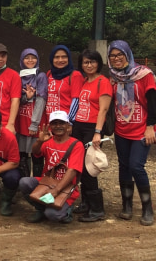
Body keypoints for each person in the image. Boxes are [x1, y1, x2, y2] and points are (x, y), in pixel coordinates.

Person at [107, 40, 156, 226]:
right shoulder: (113, 76)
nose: (116, 58)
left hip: (142, 129)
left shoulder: (144, 74)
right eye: (112, 56)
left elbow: (153, 102)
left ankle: (146, 207)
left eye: (120, 55)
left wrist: (151, 126)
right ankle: (126, 205)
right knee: (124, 166)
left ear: (127, 54)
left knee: (136, 166)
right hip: (121, 129)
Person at [19, 111, 84, 224]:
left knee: (53, 215)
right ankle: (41, 209)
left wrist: (57, 190)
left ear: (68, 125)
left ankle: (67, 210)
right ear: (50, 126)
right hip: (47, 182)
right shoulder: (48, 140)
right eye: (54, 123)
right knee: (24, 182)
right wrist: (39, 141)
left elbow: (72, 170)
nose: (58, 126)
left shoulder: (76, 145)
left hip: (66, 186)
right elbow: (36, 153)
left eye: (62, 123)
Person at [71, 49, 112, 222]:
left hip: (91, 128)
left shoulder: (103, 82)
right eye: (85, 62)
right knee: (79, 166)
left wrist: (97, 132)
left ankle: (97, 209)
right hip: (79, 126)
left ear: (98, 63)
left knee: (89, 168)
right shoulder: (84, 81)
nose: (89, 65)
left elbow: (103, 109)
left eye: (92, 61)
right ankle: (86, 203)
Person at [16, 48, 48, 179]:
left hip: (35, 120)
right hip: (21, 119)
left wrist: (34, 124)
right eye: (27, 58)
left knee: (36, 152)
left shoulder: (41, 76)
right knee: (22, 153)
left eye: (33, 57)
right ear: (22, 60)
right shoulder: (19, 76)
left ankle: (37, 182)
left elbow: (41, 99)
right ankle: (25, 183)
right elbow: (19, 100)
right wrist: (27, 97)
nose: (30, 60)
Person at [45, 45, 84, 123]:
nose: (60, 60)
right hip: (50, 120)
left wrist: (68, 121)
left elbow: (76, 100)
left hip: (64, 122)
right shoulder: (49, 74)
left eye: (64, 57)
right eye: (56, 57)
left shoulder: (75, 75)